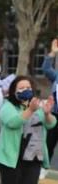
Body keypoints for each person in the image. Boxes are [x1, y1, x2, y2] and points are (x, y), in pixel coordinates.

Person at [0, 76, 56, 184]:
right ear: (14, 92)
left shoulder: (38, 105)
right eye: (20, 88)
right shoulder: (7, 106)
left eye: (28, 87)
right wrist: (30, 110)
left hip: (34, 155)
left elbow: (51, 124)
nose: (25, 91)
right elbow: (13, 123)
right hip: (12, 157)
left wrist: (48, 113)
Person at [41, 38, 58, 176]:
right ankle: (43, 168)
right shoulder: (57, 76)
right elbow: (46, 69)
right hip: (54, 115)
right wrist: (53, 53)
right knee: (48, 143)